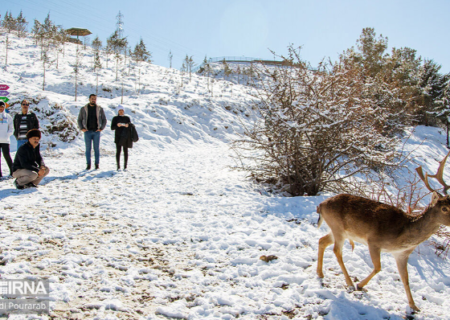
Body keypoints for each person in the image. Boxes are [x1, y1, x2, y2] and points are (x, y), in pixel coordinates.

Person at [77, 94, 107, 170]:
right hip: (87, 131)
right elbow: (79, 119)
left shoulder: (99, 109)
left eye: (95, 99)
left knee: (96, 148)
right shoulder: (84, 109)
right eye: (92, 98)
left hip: (96, 131)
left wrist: (101, 128)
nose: (94, 100)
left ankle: (97, 164)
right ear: (89, 99)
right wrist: (82, 128)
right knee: (88, 149)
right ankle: (88, 164)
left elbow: (104, 120)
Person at [111, 105, 131, 170]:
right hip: (118, 137)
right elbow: (112, 128)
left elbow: (130, 127)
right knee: (118, 151)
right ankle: (118, 166)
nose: (121, 112)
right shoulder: (115, 118)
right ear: (118, 111)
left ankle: (125, 166)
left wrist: (128, 125)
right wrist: (117, 125)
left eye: (122, 110)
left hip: (125, 137)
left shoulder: (127, 118)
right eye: (120, 110)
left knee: (125, 151)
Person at [0, 101, 14, 178]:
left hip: (5, 140)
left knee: (7, 156)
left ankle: (12, 172)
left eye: (2, 107)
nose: (1, 108)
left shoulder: (8, 117)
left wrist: (7, 135)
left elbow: (11, 128)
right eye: (0, 107)